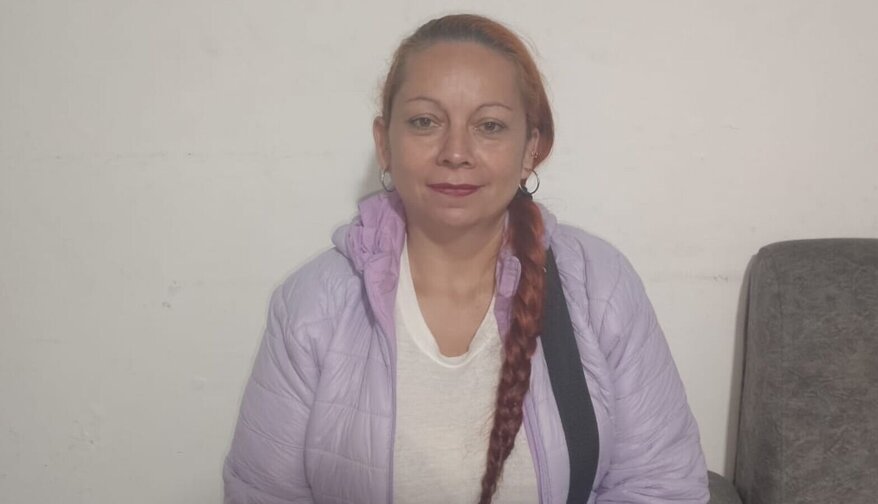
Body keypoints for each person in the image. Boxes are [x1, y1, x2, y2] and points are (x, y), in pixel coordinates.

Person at [223, 13, 709, 504]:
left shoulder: (598, 287)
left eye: (489, 126)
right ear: (384, 143)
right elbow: (264, 493)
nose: (456, 152)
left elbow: (661, 486)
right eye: (425, 122)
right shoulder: (312, 304)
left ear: (530, 149)